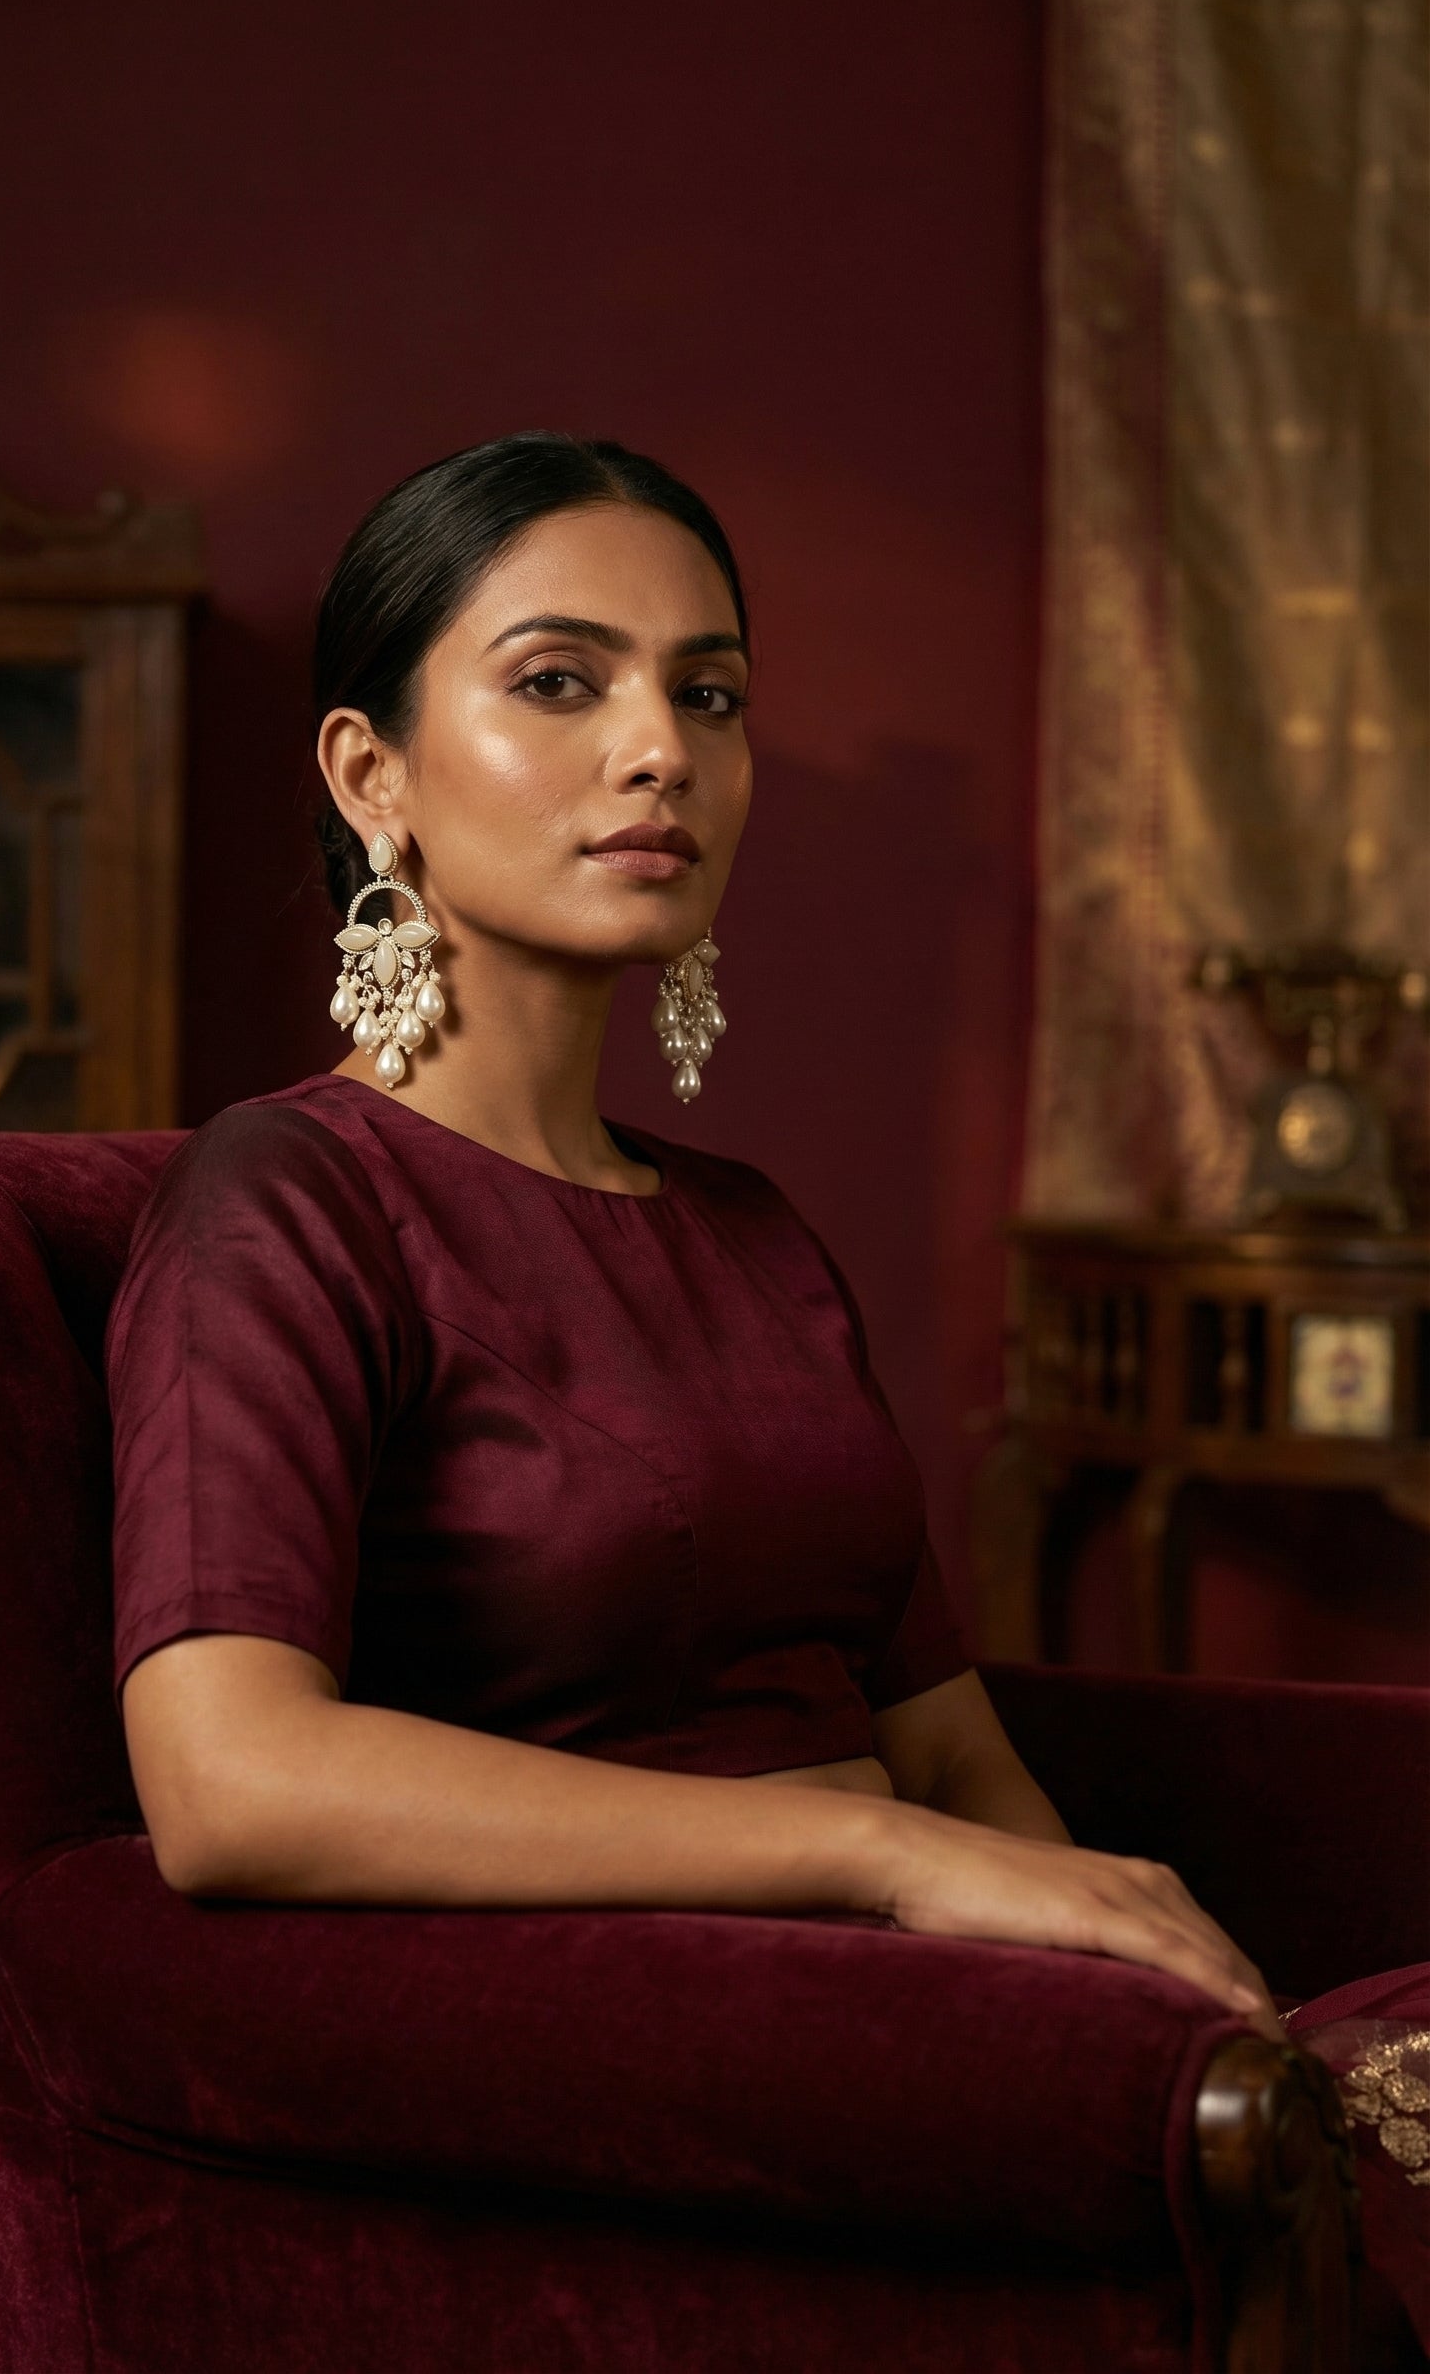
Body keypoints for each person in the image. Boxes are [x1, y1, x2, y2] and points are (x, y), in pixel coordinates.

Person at [105, 431, 1426, 2340]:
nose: (662, 749)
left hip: (915, 2017)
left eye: (706, 693)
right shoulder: (285, 1202)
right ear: (368, 775)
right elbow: (229, 1781)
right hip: (660, 2066)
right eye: (562, 682)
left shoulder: (748, 1231)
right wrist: (878, 1854)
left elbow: (953, 1745)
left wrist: (1132, 1995)